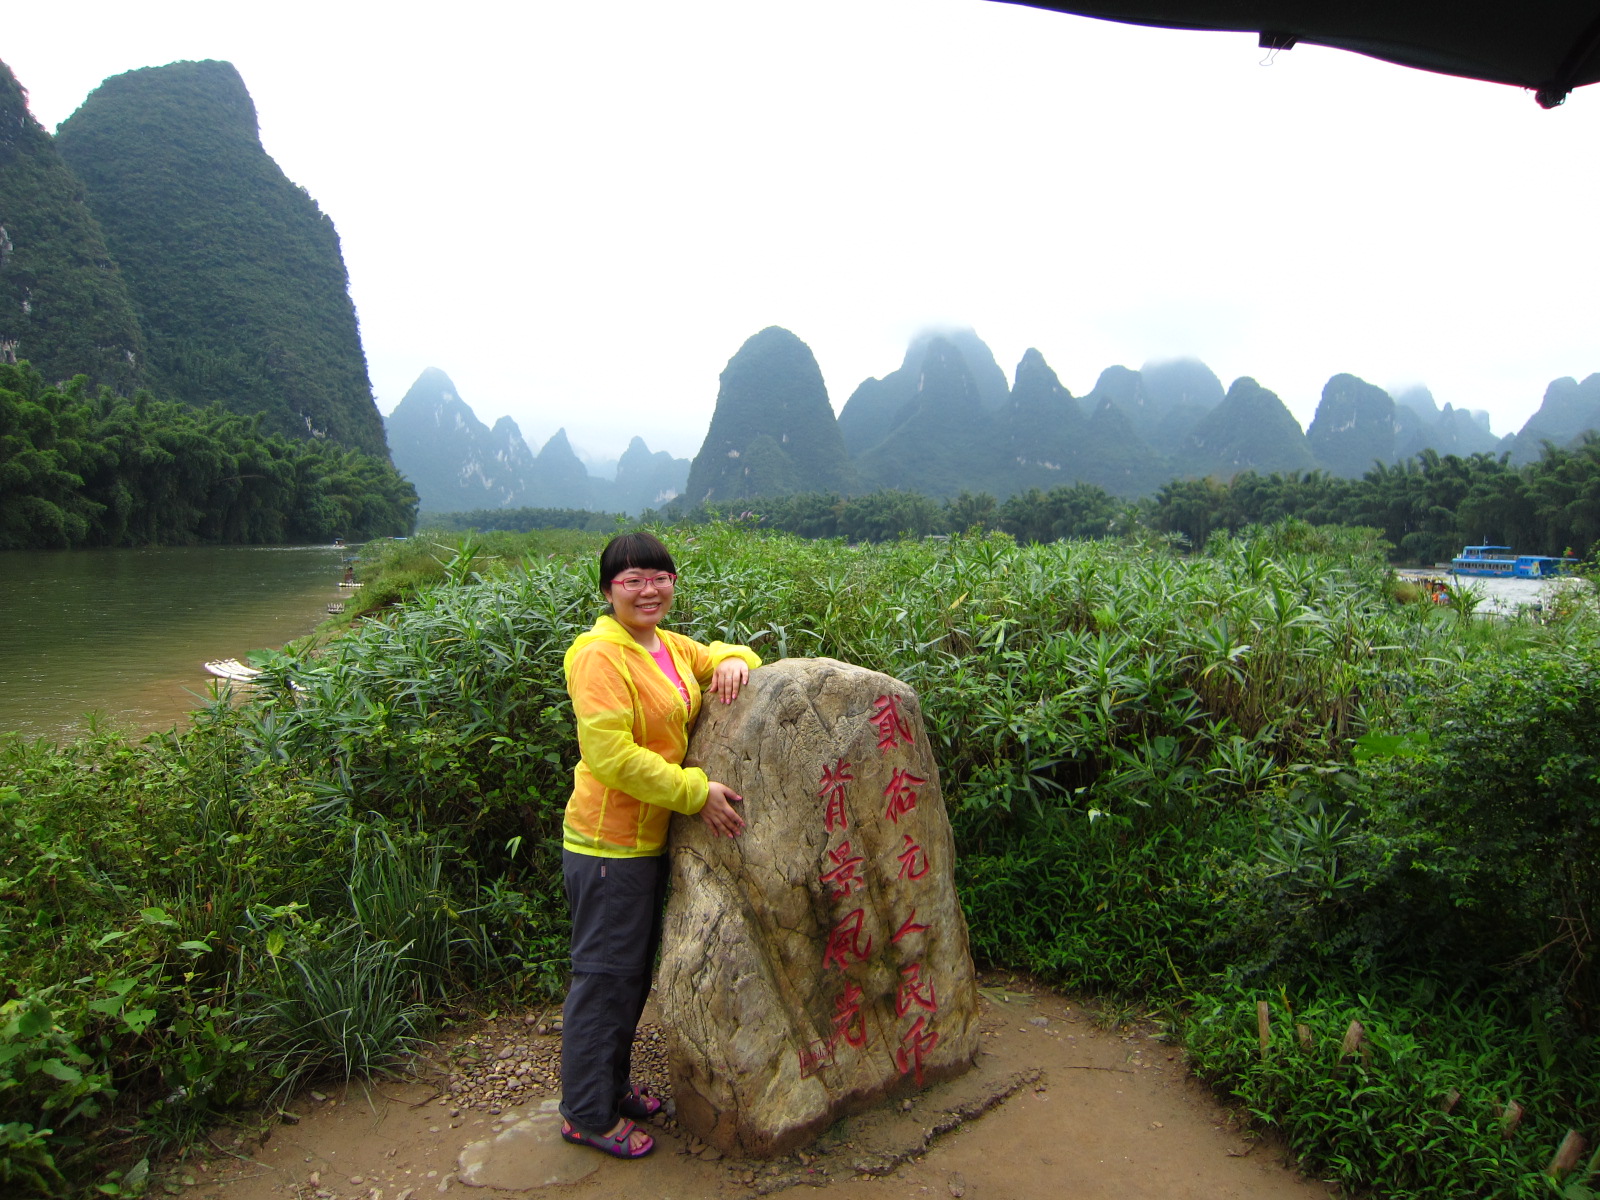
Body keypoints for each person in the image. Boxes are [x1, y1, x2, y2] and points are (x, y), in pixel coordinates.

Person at [557, 532, 761, 1159]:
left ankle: (609, 1087)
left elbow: (724, 653)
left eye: (660, 577)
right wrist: (695, 792)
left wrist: (733, 659)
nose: (648, 589)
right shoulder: (598, 656)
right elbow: (611, 756)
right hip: (606, 844)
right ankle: (586, 1113)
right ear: (608, 590)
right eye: (632, 579)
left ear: (673, 583)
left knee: (628, 974)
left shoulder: (666, 646)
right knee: (604, 977)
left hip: (644, 842)